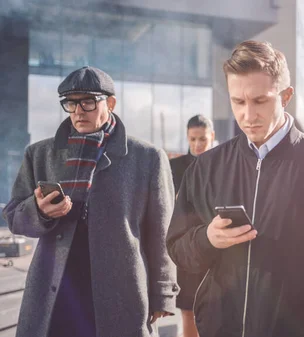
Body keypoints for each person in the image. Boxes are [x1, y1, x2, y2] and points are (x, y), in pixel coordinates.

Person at [166, 40, 304, 337]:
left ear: (285, 96)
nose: (248, 115)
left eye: (260, 101)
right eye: (238, 102)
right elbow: (178, 247)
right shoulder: (206, 168)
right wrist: (207, 239)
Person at [2, 66, 177, 337]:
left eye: (87, 102)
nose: (78, 111)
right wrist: (40, 211)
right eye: (70, 103)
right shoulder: (40, 154)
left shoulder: (148, 158)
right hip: (56, 290)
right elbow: (14, 216)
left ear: (110, 103)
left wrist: (163, 293)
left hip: (121, 290)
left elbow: (161, 233)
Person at [170, 114, 215, 337]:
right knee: (188, 311)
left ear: (212, 136)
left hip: (216, 248)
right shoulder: (174, 167)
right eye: (193, 139)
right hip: (186, 248)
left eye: (202, 139)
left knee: (217, 312)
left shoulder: (222, 163)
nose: (197, 145)